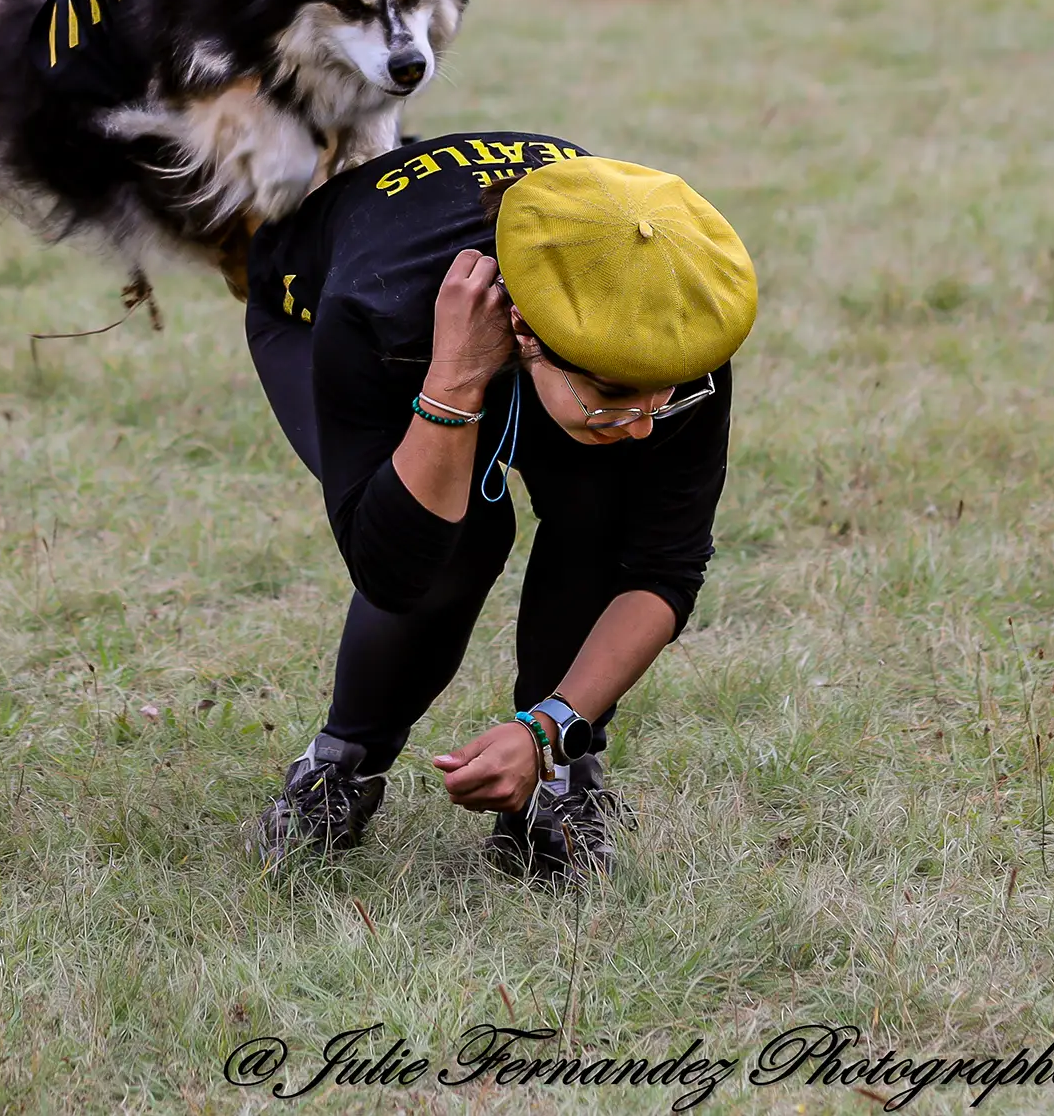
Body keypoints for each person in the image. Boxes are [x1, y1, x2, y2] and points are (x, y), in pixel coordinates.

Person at [245, 137, 757, 878]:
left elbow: (665, 565)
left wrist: (551, 729)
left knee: (604, 505)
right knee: (459, 538)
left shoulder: (672, 315)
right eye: (617, 394)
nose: (648, 420)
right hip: (328, 313)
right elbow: (392, 571)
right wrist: (452, 384)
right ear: (523, 331)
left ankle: (560, 780)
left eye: (668, 390)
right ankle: (339, 767)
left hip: (537, 332)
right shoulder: (385, 309)